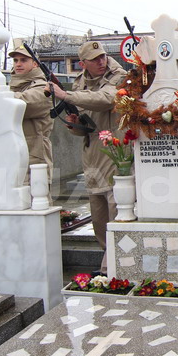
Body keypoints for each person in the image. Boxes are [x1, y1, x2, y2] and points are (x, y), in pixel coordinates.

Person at [47, 41, 127, 274]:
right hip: (92, 156)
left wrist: (66, 95)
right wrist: (74, 125)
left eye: (102, 57)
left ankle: (112, 268)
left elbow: (107, 99)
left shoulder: (119, 76)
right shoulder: (79, 82)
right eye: (94, 59)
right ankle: (107, 259)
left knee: (117, 212)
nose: (101, 61)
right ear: (83, 64)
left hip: (116, 154)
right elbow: (84, 126)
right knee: (99, 219)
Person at [8, 45, 53, 183]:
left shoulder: (43, 86)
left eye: (23, 60)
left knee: (37, 199)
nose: (18, 64)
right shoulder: (10, 87)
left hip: (34, 154)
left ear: (34, 64)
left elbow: (25, 103)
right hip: (10, 153)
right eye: (15, 60)